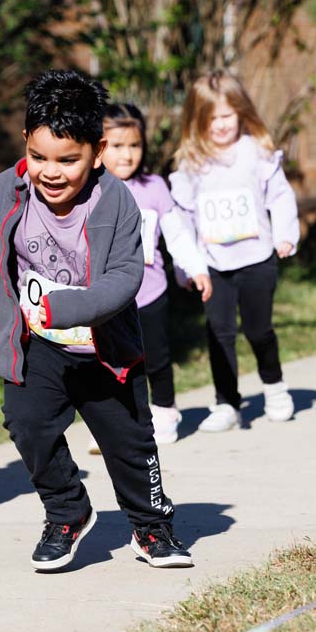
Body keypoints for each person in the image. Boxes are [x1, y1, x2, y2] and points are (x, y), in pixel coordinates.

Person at [0, 69, 194, 571]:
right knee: (25, 423)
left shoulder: (116, 202)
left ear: (97, 152)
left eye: (68, 160)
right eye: (38, 157)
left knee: (129, 443)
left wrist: (66, 309)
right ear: (25, 144)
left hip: (104, 347)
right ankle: (67, 512)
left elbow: (126, 276)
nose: (51, 172)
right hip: (36, 342)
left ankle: (151, 529)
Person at [168, 70, 300, 433]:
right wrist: (187, 267)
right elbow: (183, 218)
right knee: (218, 333)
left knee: (259, 331)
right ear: (197, 120)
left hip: (257, 259)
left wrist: (285, 234)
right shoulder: (191, 163)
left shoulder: (256, 152)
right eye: (211, 119)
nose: (221, 125)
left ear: (241, 112)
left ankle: (274, 388)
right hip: (213, 266)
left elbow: (281, 196)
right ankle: (227, 403)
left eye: (227, 116)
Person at [85, 103, 212, 452]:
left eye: (134, 146)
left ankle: (166, 413)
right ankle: (119, 426)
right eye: (117, 145)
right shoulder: (87, 189)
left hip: (149, 292)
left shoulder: (154, 187)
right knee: (108, 363)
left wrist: (193, 269)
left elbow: (177, 234)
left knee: (155, 357)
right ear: (98, 147)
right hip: (105, 298)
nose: (127, 155)